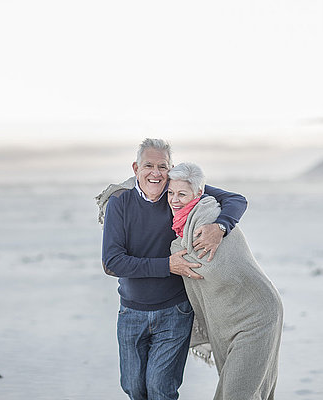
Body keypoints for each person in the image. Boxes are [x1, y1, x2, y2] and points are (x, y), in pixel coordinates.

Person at [98, 138, 248, 400]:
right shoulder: (119, 202)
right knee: (134, 388)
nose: (155, 173)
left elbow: (236, 200)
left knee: (160, 389)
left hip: (175, 311)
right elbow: (112, 262)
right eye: (148, 166)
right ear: (136, 168)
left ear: (171, 168)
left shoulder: (178, 191)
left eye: (162, 166)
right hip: (131, 312)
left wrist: (220, 226)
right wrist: (168, 265)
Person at [168, 162, 283, 400]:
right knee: (238, 388)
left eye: (181, 194)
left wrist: (219, 227)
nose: (174, 199)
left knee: (237, 393)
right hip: (225, 321)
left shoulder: (208, 215)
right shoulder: (182, 223)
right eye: (171, 193)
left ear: (198, 193)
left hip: (257, 316)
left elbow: (206, 266)